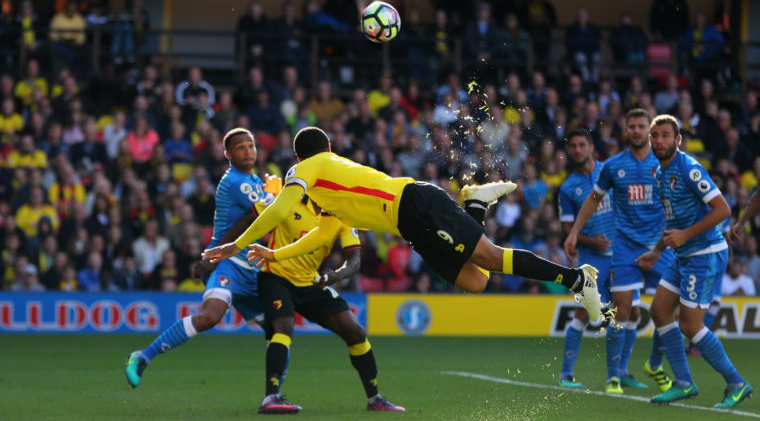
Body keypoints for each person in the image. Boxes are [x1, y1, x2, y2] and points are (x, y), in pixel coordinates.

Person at [204, 127, 604, 323]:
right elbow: (322, 235)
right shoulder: (327, 194)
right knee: (476, 281)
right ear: (328, 147)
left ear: (301, 159)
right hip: (411, 227)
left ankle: (577, 280)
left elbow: (276, 211)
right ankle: (476, 204)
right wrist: (274, 254)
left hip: (415, 202)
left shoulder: (309, 168)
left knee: (492, 259)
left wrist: (236, 245)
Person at [124, 128, 273, 388]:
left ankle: (273, 395)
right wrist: (277, 197)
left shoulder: (254, 181)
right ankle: (143, 356)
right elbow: (262, 214)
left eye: (251, 146)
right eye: (240, 147)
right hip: (227, 262)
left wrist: (273, 195)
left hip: (251, 267)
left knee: (278, 329)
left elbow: (263, 214)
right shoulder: (236, 181)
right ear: (228, 154)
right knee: (209, 316)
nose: (248, 151)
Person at [635, 116, 751, 407]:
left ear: (678, 140)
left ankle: (737, 384)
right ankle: (684, 383)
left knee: (690, 325)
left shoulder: (689, 168)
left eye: (665, 135)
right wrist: (657, 251)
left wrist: (685, 235)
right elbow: (674, 221)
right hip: (683, 254)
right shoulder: (660, 174)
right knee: (660, 311)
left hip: (705, 253)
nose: (659, 140)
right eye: (654, 136)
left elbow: (722, 209)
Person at [253, 192, 404, 413]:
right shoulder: (289, 199)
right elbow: (250, 217)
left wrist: (336, 275)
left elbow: (354, 260)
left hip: (311, 282)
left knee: (355, 332)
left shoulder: (341, 214)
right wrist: (230, 247)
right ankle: (270, 398)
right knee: (284, 325)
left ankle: (375, 399)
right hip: (276, 276)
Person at [564, 108, 673, 394]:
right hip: (599, 257)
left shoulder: (616, 168)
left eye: (641, 126)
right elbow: (575, 220)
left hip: (634, 251)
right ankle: (574, 374)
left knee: (639, 312)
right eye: (631, 126)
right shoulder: (574, 185)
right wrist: (580, 237)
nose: (578, 150)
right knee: (595, 313)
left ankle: (626, 371)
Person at [555, 128, 616, 389]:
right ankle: (566, 374)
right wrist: (592, 241)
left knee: (621, 312)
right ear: (569, 151)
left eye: (582, 145)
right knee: (583, 312)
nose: (578, 150)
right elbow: (566, 229)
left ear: (591, 147)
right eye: (573, 146)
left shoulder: (610, 171)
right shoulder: (568, 188)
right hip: (591, 259)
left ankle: (616, 375)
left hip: (620, 255)